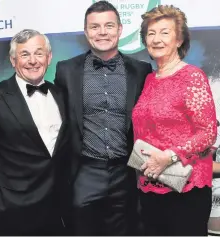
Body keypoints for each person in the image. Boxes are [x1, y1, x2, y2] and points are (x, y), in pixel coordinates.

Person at [54, 1, 152, 235]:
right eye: (95, 27)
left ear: (119, 29)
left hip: (127, 171)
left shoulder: (142, 70)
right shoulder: (66, 70)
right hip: (85, 170)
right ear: (86, 32)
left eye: (109, 26)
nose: (102, 32)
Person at [132, 5, 217, 236]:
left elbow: (208, 132)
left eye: (164, 32)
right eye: (151, 33)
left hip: (186, 188)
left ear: (179, 39)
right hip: (150, 186)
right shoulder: (149, 79)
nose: (156, 39)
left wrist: (168, 156)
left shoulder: (192, 77)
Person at [0, 29, 68, 236]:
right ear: (13, 60)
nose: (33, 61)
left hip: (58, 209)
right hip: (14, 210)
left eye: (39, 53)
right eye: (25, 54)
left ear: (49, 57)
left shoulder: (61, 94)